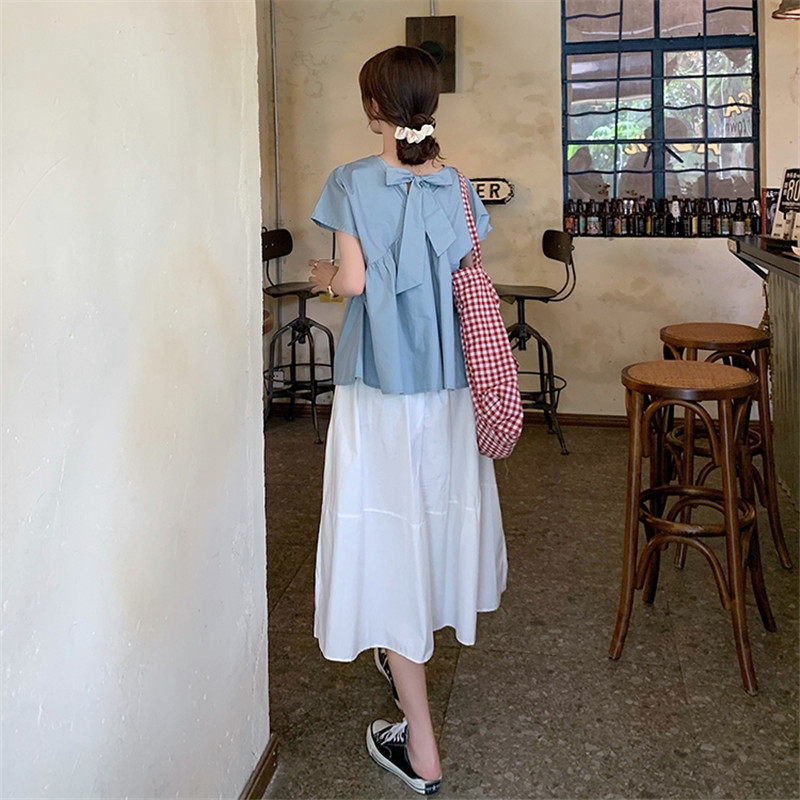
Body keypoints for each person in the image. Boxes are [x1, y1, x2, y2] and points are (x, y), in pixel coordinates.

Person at [306, 46, 507, 795]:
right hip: (450, 390)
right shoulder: (457, 184)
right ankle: (408, 657)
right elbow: (462, 271)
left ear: (373, 108)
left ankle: (420, 745)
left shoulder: (350, 180)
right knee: (433, 517)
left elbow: (355, 280)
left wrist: (326, 279)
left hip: (381, 391)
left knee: (388, 530)